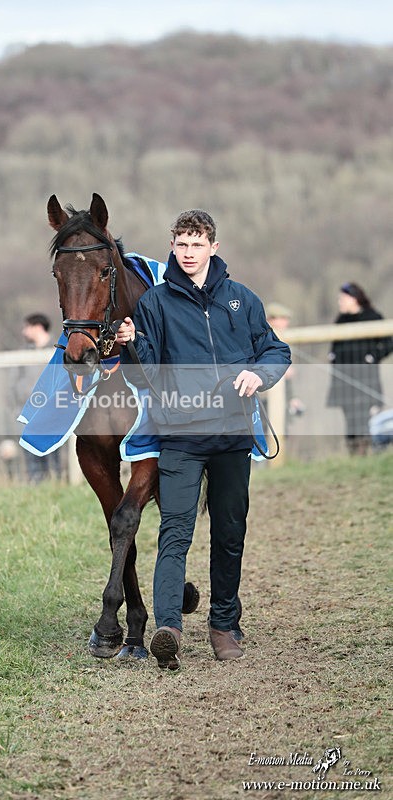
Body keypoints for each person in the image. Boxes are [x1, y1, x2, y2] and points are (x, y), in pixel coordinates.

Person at [116, 209, 291, 669]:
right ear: (172, 246)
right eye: (181, 244)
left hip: (232, 434)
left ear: (213, 247)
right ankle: (168, 627)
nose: (188, 253)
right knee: (176, 531)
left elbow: (276, 349)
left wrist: (258, 372)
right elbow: (146, 375)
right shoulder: (153, 304)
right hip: (181, 437)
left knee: (230, 532)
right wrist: (131, 344)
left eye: (197, 244)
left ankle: (224, 626)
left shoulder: (242, 299)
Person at [326, 282, 392, 456]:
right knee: (350, 421)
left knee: (364, 419)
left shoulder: (373, 317)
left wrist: (373, 356)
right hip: (344, 379)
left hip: (365, 378)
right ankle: (354, 456)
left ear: (354, 298)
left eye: (343, 298)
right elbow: (334, 346)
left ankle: (365, 454)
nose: (340, 301)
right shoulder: (341, 320)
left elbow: (388, 342)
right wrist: (333, 357)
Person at [10, 313, 62, 481]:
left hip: (54, 414)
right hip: (28, 414)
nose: (24, 332)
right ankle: (37, 487)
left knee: (56, 458)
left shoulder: (59, 350)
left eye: (27, 327)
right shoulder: (22, 353)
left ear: (38, 327)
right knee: (32, 460)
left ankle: (58, 486)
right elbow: (13, 385)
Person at [265, 302, 305, 421]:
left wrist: (293, 398)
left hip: (283, 396)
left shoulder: (286, 340)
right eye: (282, 318)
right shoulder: (262, 338)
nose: (286, 322)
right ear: (271, 319)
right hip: (264, 396)